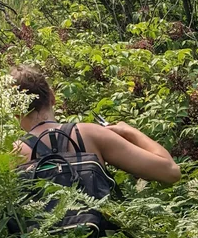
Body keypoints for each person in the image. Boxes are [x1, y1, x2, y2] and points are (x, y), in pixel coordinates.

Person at [11, 65, 181, 186]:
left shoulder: (12, 155)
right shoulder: (90, 134)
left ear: (16, 113)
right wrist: (130, 131)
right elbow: (171, 172)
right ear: (53, 97)